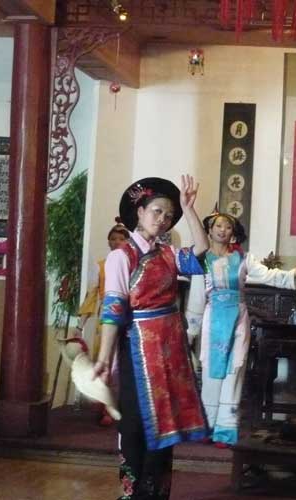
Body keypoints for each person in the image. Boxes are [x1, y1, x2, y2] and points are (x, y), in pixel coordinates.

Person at [93, 175, 209, 500]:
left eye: (169, 216)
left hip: (170, 350)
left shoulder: (168, 254)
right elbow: (113, 311)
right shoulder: (122, 256)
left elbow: (201, 249)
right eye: (157, 211)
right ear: (140, 211)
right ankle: (133, 493)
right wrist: (104, 358)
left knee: (166, 424)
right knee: (135, 424)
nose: (163, 219)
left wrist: (189, 208)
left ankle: (157, 493)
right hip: (139, 349)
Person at [185, 210, 296, 448]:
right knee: (210, 371)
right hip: (213, 320)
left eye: (228, 227)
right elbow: (197, 297)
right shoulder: (201, 260)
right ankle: (206, 426)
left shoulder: (242, 258)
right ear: (209, 230)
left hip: (238, 319)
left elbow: (266, 275)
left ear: (233, 233)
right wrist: (190, 332)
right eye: (218, 226)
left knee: (235, 371)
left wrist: (290, 275)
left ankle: (225, 430)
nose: (223, 230)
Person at [77, 218, 130, 426]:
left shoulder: (134, 264)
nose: (117, 242)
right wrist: (80, 324)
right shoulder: (101, 266)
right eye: (113, 239)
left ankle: (121, 405)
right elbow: (92, 294)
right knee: (104, 359)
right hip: (106, 319)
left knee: (123, 363)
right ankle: (105, 405)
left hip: (129, 319)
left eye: (121, 239)